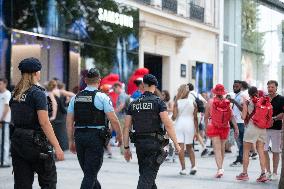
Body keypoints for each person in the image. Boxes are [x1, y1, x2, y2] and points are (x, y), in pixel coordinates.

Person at [9, 57, 64, 189]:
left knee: (22, 184)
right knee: (48, 181)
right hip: (36, 142)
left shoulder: (15, 93)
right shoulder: (37, 93)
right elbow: (44, 122)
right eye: (39, 71)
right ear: (35, 73)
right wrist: (57, 146)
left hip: (17, 141)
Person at [67, 68, 122, 189]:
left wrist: (71, 141)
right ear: (99, 81)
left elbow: (69, 121)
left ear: (85, 80)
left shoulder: (75, 98)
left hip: (80, 136)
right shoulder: (102, 97)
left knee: (89, 173)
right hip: (95, 137)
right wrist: (120, 135)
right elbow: (113, 119)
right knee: (90, 174)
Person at [123, 74, 181, 189]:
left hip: (139, 145)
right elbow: (168, 124)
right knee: (146, 179)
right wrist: (176, 144)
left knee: (147, 176)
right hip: (154, 145)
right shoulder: (158, 102)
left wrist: (126, 148)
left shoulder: (133, 103)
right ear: (154, 86)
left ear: (143, 85)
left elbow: (126, 127)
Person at [204, 84, 239, 178]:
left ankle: (219, 169)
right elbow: (231, 117)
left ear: (215, 92)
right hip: (225, 127)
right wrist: (236, 128)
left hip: (214, 126)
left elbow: (206, 116)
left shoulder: (210, 101)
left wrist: (206, 127)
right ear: (223, 92)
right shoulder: (227, 102)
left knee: (217, 149)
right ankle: (221, 167)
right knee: (222, 147)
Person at [236, 86, 268, 182]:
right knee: (261, 151)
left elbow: (243, 116)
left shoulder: (247, 102)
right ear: (257, 93)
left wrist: (243, 109)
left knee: (246, 151)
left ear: (249, 94)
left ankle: (244, 173)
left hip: (251, 128)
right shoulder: (263, 101)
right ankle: (263, 174)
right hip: (262, 128)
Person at [172, 84, 198, 175]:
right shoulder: (193, 102)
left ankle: (183, 169)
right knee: (190, 147)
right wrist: (197, 131)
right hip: (189, 124)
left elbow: (174, 117)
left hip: (179, 125)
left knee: (181, 148)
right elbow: (195, 118)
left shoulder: (177, 102)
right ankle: (193, 166)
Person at [265, 80, 284, 180]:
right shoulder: (264, 98)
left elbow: (283, 114)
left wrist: (274, 118)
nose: (270, 89)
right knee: (264, 150)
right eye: (268, 87)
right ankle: (267, 171)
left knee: (276, 151)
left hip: (276, 129)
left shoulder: (281, 99)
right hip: (264, 129)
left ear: (276, 88)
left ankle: (275, 172)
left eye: (272, 87)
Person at [47, 80, 69, 151]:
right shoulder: (60, 91)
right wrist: (68, 101)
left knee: (53, 132)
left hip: (55, 115)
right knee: (62, 132)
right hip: (62, 114)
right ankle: (62, 148)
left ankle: (55, 149)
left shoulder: (51, 93)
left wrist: (53, 116)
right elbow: (73, 95)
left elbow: (54, 104)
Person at [187, 83, 208, 157]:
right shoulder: (197, 94)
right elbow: (205, 102)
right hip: (199, 115)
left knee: (194, 132)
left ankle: (203, 148)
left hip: (193, 115)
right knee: (194, 132)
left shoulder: (189, 95)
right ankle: (202, 147)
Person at [229, 80, 245, 167]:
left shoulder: (241, 96)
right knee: (239, 142)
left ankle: (240, 159)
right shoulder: (236, 95)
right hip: (236, 121)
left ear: (241, 87)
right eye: (234, 86)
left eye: (237, 87)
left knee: (240, 142)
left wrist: (234, 102)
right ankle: (240, 158)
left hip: (240, 122)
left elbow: (242, 109)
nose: (235, 88)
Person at [113, 82, 129, 155]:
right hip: (125, 117)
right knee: (124, 133)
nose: (114, 91)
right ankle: (125, 150)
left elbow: (122, 105)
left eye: (114, 89)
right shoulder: (124, 95)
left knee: (122, 134)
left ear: (118, 87)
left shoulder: (122, 95)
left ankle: (123, 150)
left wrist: (114, 112)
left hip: (122, 117)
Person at [0, 78, 11, 167]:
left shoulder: (7, 94)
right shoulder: (0, 94)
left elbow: (7, 108)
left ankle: (5, 161)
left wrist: (2, 119)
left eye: (1, 84)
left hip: (4, 122)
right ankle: (1, 160)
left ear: (5, 84)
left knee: (5, 141)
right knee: (1, 141)